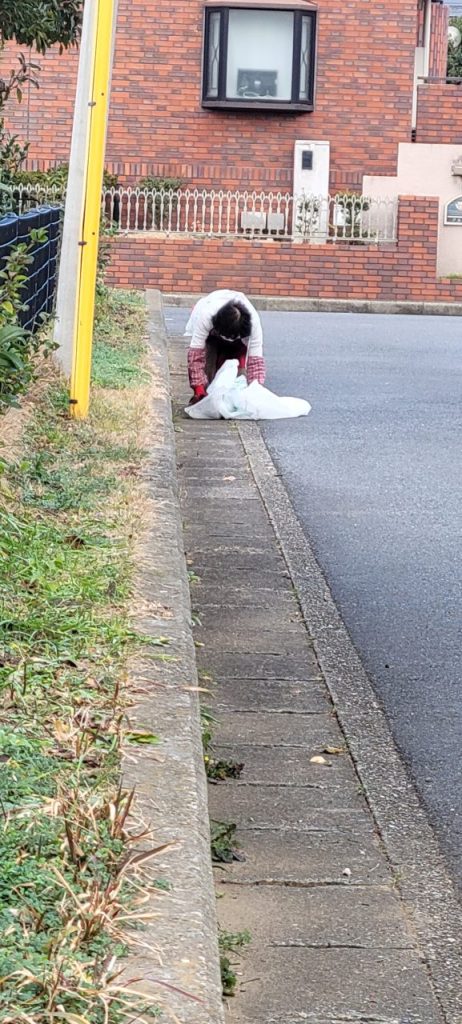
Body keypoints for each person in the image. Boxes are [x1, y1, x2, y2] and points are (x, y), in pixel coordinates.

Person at [184, 289, 266, 404]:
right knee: (209, 364)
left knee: (239, 377)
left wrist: (256, 391)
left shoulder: (253, 323)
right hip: (211, 337)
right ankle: (207, 396)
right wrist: (198, 389)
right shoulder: (206, 315)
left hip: (239, 344)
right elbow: (195, 356)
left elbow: (255, 361)